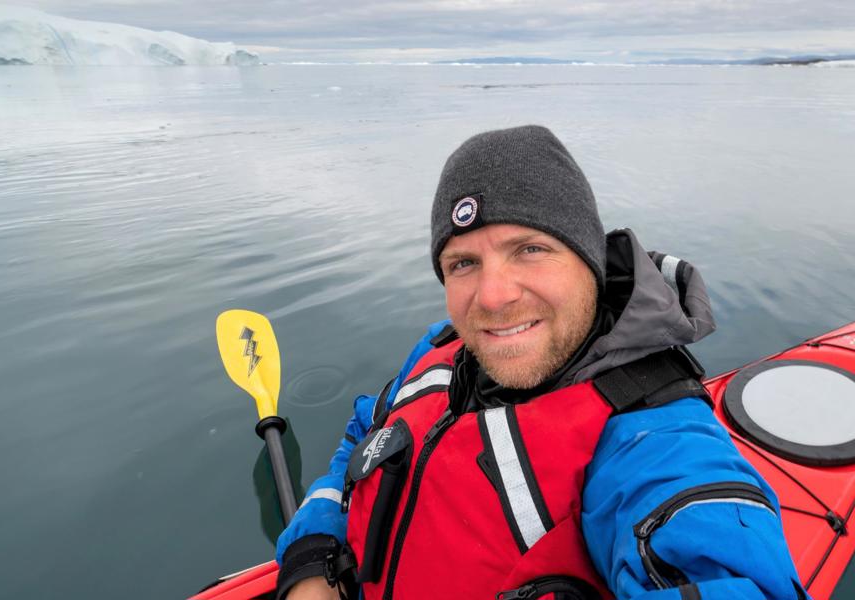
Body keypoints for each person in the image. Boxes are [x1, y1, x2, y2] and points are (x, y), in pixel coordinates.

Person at [275, 125, 808, 600]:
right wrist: (312, 558)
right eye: (463, 263)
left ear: (590, 261)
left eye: (529, 249)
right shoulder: (441, 351)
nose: (492, 296)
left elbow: (719, 554)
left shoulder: (651, 438)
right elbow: (363, 438)